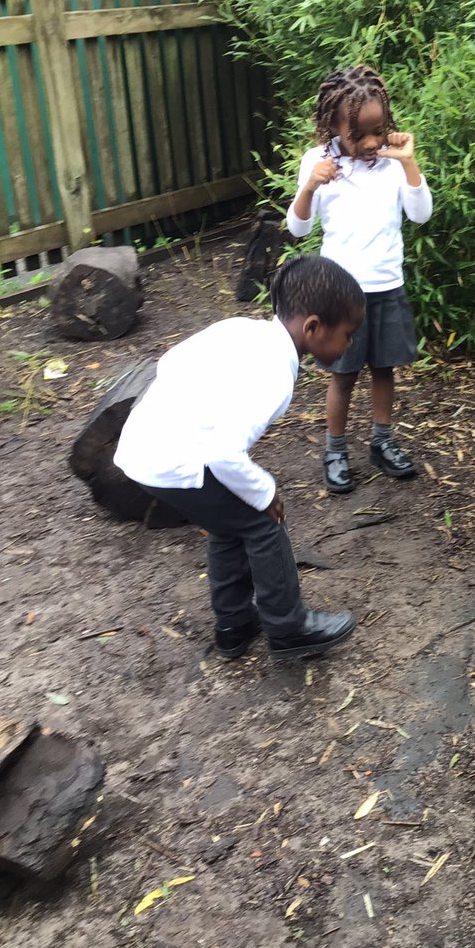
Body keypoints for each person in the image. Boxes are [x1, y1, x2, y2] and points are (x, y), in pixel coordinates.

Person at [113, 254, 366, 662]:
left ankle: (233, 626)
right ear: (313, 327)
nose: (350, 344)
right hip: (175, 458)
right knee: (263, 523)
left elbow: (171, 362)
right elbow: (222, 453)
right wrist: (265, 493)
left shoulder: (244, 331)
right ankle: (289, 628)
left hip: (147, 444)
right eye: (347, 334)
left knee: (228, 523)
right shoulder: (273, 373)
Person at [287, 65, 433, 494]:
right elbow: (296, 229)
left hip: (387, 284)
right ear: (332, 124)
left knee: (384, 369)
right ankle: (335, 451)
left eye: (378, 130)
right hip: (340, 293)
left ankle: (382, 443)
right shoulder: (317, 163)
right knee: (343, 376)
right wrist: (310, 187)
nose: (371, 142)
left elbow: (421, 214)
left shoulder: (391, 164)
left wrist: (408, 163)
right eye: (359, 135)